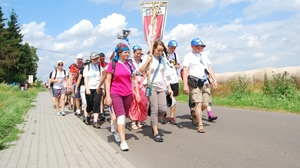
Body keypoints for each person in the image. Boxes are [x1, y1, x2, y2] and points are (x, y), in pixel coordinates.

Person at [104, 43, 139, 151]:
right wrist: (107, 96)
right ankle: (123, 142)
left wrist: (136, 92)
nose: (128, 54)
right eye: (125, 52)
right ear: (119, 53)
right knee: (121, 116)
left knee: (125, 114)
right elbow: (107, 80)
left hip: (128, 93)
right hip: (116, 93)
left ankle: (115, 127)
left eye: (129, 52)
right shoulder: (112, 64)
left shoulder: (130, 64)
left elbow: (134, 79)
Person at [139, 40, 173, 142]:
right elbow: (140, 70)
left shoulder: (162, 59)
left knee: (162, 109)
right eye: (158, 50)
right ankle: (156, 132)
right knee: (154, 110)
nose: (160, 52)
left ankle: (154, 119)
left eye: (161, 51)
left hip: (161, 86)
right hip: (151, 85)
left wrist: (169, 87)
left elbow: (165, 75)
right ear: (153, 48)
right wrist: (147, 61)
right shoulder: (148, 57)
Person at [182, 38, 218, 133]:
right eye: (197, 47)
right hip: (194, 83)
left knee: (206, 104)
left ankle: (195, 114)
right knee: (198, 103)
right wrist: (185, 85)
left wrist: (214, 80)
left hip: (205, 82)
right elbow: (185, 71)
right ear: (192, 46)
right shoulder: (188, 56)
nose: (199, 48)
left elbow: (209, 68)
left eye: (201, 47)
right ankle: (200, 125)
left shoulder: (204, 56)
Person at [129, 45, 148, 130]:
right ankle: (133, 120)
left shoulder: (143, 61)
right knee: (134, 101)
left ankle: (140, 119)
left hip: (142, 81)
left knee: (143, 101)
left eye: (140, 53)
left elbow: (145, 71)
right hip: (133, 80)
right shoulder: (130, 62)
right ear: (134, 53)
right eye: (137, 53)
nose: (139, 55)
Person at [163, 40, 180, 125]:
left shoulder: (176, 55)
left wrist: (177, 66)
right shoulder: (164, 54)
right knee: (164, 98)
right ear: (168, 46)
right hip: (166, 79)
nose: (173, 49)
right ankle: (163, 114)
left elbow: (178, 64)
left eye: (174, 48)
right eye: (172, 47)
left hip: (174, 79)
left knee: (174, 99)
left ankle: (172, 117)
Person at [83, 52, 102, 128]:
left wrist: (101, 88)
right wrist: (87, 88)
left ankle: (95, 121)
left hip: (97, 87)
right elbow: (86, 78)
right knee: (90, 104)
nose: (95, 60)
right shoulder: (87, 67)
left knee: (97, 103)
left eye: (96, 58)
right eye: (94, 59)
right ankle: (88, 115)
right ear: (91, 59)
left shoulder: (99, 67)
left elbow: (101, 78)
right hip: (90, 88)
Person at [75, 59, 90, 124]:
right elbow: (79, 80)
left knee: (90, 102)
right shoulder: (82, 70)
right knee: (85, 102)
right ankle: (86, 116)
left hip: (90, 87)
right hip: (83, 87)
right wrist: (76, 88)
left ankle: (88, 115)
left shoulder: (92, 70)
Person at [98, 53, 108, 121]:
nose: (101, 60)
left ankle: (102, 108)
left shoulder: (106, 64)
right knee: (101, 97)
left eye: (102, 59)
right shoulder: (97, 65)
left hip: (106, 81)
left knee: (104, 96)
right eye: (100, 59)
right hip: (100, 82)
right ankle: (101, 111)